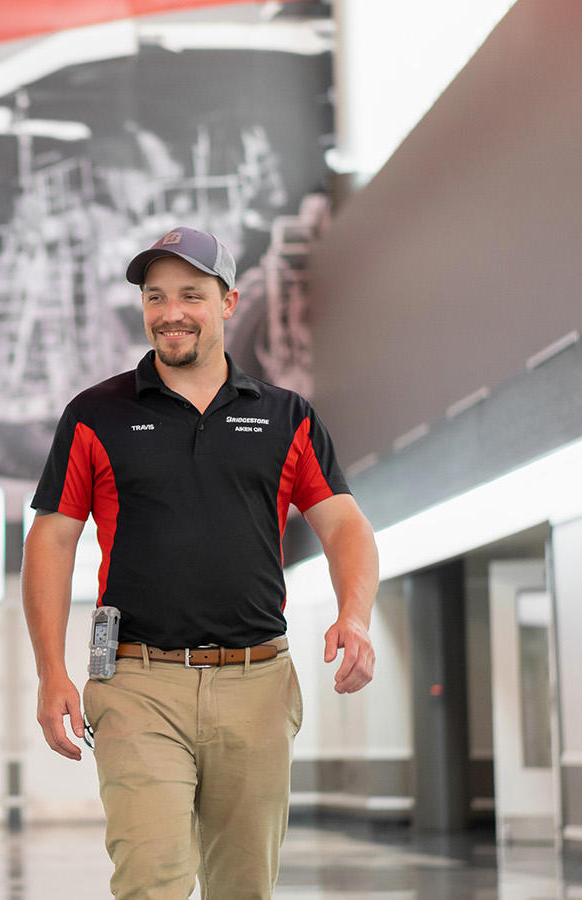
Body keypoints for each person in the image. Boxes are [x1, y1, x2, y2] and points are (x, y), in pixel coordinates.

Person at [22, 227, 379, 899]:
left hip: (257, 684)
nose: (171, 312)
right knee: (150, 879)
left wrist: (354, 615)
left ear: (228, 302)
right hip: (135, 681)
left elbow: (345, 524)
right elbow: (52, 540)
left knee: (243, 887)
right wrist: (50, 672)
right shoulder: (96, 415)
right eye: (155, 297)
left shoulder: (286, 417)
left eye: (190, 294)